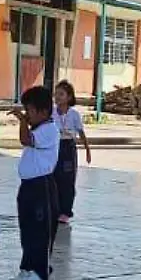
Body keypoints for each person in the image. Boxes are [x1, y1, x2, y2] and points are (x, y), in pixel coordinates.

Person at [8, 85, 60, 280]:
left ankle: (40, 273)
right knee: (27, 229)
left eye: (29, 111)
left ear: (43, 112)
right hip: (28, 185)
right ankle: (27, 269)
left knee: (40, 231)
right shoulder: (39, 128)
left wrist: (21, 121)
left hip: (41, 186)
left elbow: (25, 140)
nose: (27, 115)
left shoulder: (49, 130)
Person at [51, 81, 91, 225]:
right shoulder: (51, 113)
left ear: (69, 97)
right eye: (56, 94)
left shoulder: (74, 114)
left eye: (61, 94)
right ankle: (53, 209)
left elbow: (81, 132)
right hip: (54, 146)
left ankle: (65, 212)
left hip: (68, 147)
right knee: (53, 178)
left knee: (67, 180)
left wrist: (87, 150)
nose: (58, 97)